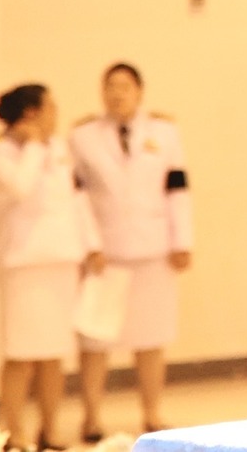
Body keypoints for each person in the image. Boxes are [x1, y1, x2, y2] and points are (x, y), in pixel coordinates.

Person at [68, 63, 191, 438]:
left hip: (153, 247)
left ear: (139, 91)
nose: (117, 94)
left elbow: (178, 189)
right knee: (95, 339)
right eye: (110, 86)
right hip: (105, 252)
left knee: (151, 338)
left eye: (124, 86)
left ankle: (151, 414)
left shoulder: (164, 132)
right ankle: (91, 418)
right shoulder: (83, 136)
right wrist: (90, 244)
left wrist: (182, 241)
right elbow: (77, 197)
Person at [0, 84, 103, 452]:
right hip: (24, 263)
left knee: (54, 352)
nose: (56, 114)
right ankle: (13, 431)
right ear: (31, 113)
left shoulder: (59, 147)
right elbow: (20, 188)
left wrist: (92, 245)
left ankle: (49, 429)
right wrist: (33, 146)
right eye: (50, 107)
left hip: (61, 258)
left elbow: (76, 200)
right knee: (21, 354)